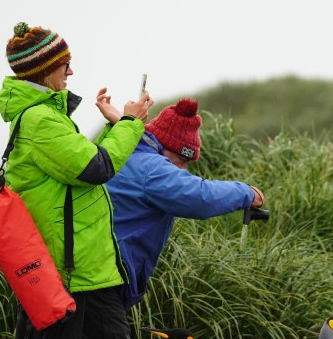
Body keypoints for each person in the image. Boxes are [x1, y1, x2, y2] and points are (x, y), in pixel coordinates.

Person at [0, 21, 154, 339]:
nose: (70, 72)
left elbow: (83, 167)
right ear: (43, 70)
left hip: (90, 272)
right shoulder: (40, 120)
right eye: (64, 64)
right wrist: (129, 123)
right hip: (61, 276)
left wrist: (115, 127)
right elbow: (95, 169)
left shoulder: (50, 118)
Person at [105, 97, 265, 311]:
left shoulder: (126, 153)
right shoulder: (152, 169)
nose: (182, 170)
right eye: (182, 161)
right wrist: (246, 192)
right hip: (107, 282)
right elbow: (200, 197)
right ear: (166, 147)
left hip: (95, 273)